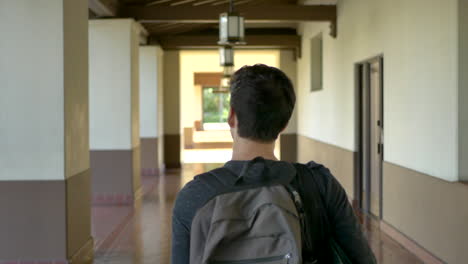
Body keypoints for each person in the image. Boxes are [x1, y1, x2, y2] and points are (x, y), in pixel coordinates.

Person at [171, 64, 376, 264]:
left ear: (232, 116)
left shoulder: (195, 196)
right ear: (284, 123)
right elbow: (363, 258)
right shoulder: (320, 185)